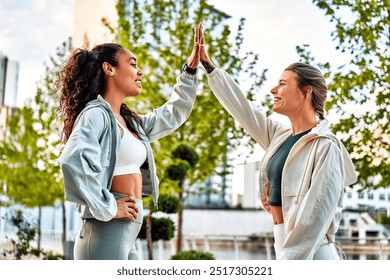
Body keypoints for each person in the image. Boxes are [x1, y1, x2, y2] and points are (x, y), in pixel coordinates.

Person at [197, 26, 357, 259]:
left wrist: (287, 262)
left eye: (282, 83)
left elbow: (315, 217)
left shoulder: (326, 146)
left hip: (312, 255)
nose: (273, 89)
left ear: (306, 91)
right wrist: (210, 68)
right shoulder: (280, 137)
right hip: (283, 245)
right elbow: (243, 109)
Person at [55, 24, 203, 260]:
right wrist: (109, 207)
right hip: (105, 232)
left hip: (127, 230)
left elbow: (172, 114)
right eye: (133, 64)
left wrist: (190, 72)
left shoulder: (128, 121)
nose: (140, 71)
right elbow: (72, 161)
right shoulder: (95, 114)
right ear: (109, 69)